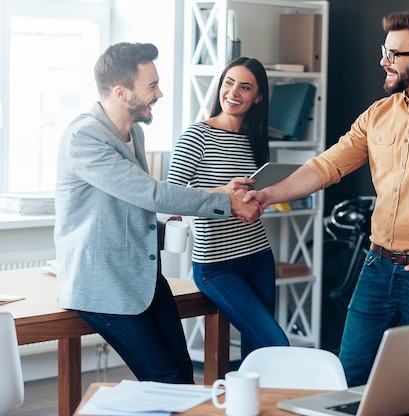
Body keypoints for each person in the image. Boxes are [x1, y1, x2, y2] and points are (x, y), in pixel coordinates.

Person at [244, 10, 409, 386]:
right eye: (385, 51)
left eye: (394, 54)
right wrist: (266, 195)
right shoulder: (379, 114)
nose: (384, 61)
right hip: (376, 267)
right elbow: (326, 166)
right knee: (348, 375)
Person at [54, 42, 262, 384]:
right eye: (151, 86)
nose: (160, 93)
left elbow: (133, 196)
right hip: (103, 285)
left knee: (181, 375)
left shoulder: (132, 132)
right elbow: (150, 193)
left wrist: (219, 191)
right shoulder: (85, 138)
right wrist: (227, 203)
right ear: (121, 92)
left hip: (141, 277)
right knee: (165, 377)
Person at [167, 57, 289, 360]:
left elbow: (248, 196)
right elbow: (169, 199)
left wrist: (256, 201)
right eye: (229, 83)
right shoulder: (197, 135)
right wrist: (224, 193)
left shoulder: (253, 139)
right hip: (217, 266)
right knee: (275, 343)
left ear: (258, 97)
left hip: (259, 256)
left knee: (258, 355)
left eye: (245, 87)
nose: (233, 92)